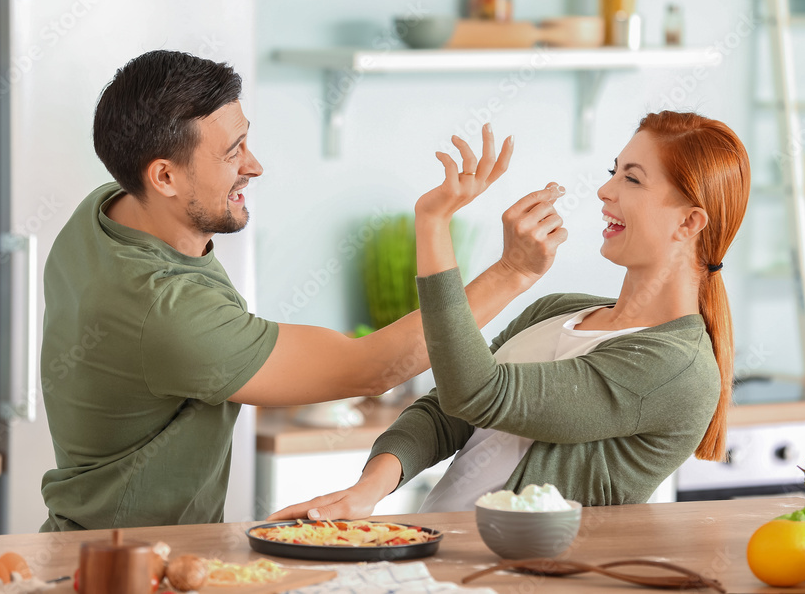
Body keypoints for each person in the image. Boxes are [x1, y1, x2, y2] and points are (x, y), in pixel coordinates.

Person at [38, 50, 568, 531]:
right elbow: (372, 368)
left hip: (101, 544)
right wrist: (513, 272)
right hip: (127, 565)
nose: (255, 165)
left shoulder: (106, 210)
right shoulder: (167, 311)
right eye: (233, 152)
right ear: (165, 178)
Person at [270, 110, 751, 520]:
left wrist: (435, 225)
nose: (604, 190)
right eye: (614, 170)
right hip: (439, 560)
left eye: (632, 178)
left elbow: (478, 393)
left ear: (688, 222)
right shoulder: (559, 310)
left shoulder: (675, 367)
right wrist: (367, 491)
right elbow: (446, 411)